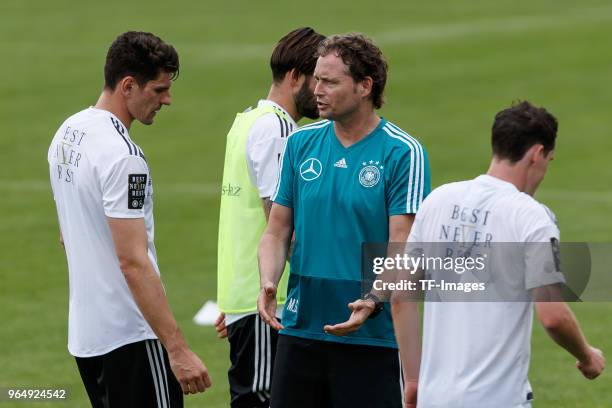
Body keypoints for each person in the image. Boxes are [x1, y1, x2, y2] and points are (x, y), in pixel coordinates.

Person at [392, 101, 605, 408]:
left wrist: (413, 381)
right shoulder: (532, 217)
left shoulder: (438, 200)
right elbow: (553, 316)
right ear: (536, 154)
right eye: (549, 160)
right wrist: (587, 356)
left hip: (434, 397)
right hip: (497, 399)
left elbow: (401, 297)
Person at [257, 33, 431, 408]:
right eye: (317, 79)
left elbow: (400, 245)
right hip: (301, 329)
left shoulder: (402, 152)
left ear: (365, 86)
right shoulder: (300, 143)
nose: (316, 89)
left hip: (370, 337)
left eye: (330, 82)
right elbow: (277, 230)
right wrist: (269, 281)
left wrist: (373, 299)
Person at [48, 31, 211, 407]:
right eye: (158, 90)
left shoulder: (68, 133)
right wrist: (178, 349)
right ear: (127, 85)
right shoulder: (124, 157)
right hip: (131, 336)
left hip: (87, 339)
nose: (167, 100)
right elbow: (133, 262)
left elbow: (66, 233)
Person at [215, 27, 325, 408]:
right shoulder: (277, 128)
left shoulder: (245, 121)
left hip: (246, 297)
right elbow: (279, 221)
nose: (322, 90)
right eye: (319, 79)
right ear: (296, 76)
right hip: (269, 302)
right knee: (262, 400)